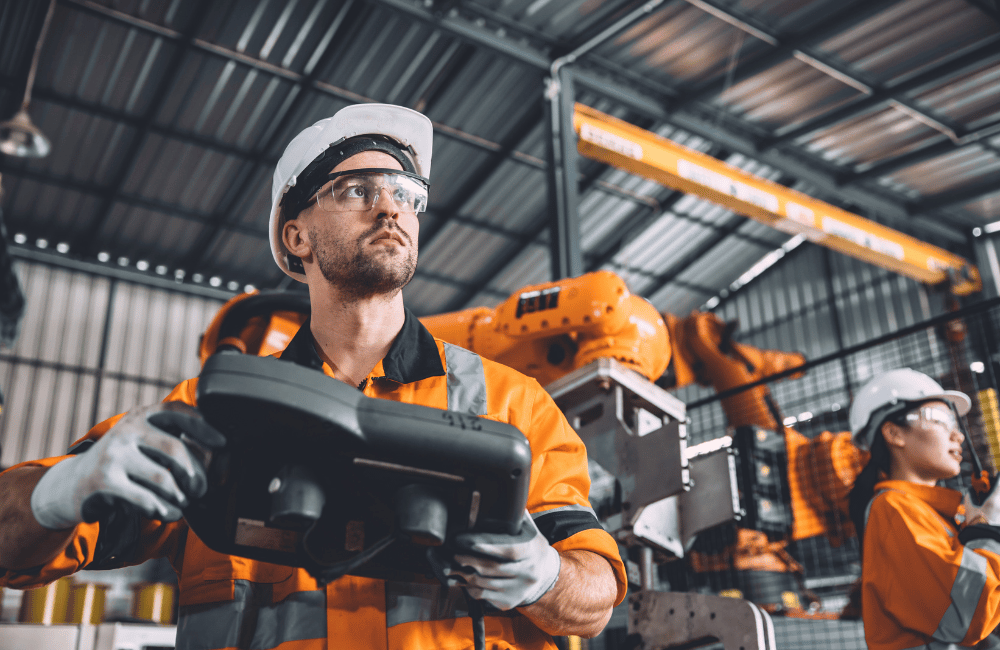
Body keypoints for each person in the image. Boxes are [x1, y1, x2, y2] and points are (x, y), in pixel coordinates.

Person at [0, 103, 626, 650]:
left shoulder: (513, 402)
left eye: (407, 193)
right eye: (358, 190)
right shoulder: (213, 411)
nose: (391, 208)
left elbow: (596, 595)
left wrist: (546, 578)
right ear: (296, 235)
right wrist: (67, 486)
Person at [847, 368, 1000, 650]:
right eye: (941, 420)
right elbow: (965, 619)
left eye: (955, 423)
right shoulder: (892, 510)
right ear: (894, 433)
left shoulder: (938, 515)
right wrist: (987, 531)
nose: (958, 436)